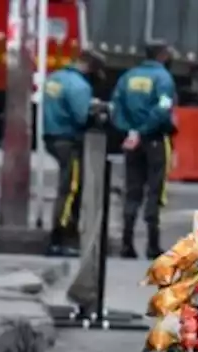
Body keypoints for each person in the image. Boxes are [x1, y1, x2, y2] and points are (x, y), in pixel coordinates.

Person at [111, 40, 177, 260]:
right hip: (155, 139)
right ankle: (152, 245)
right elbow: (164, 107)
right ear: (162, 55)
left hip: (132, 141)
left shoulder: (128, 77)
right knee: (155, 191)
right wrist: (144, 129)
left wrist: (129, 131)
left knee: (132, 191)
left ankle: (126, 244)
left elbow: (116, 105)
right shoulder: (163, 78)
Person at [42, 49, 106, 257]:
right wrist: (96, 112)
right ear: (90, 66)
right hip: (68, 140)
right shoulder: (79, 86)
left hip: (51, 136)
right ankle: (60, 238)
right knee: (70, 189)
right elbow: (81, 117)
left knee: (66, 186)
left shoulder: (55, 78)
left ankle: (60, 237)